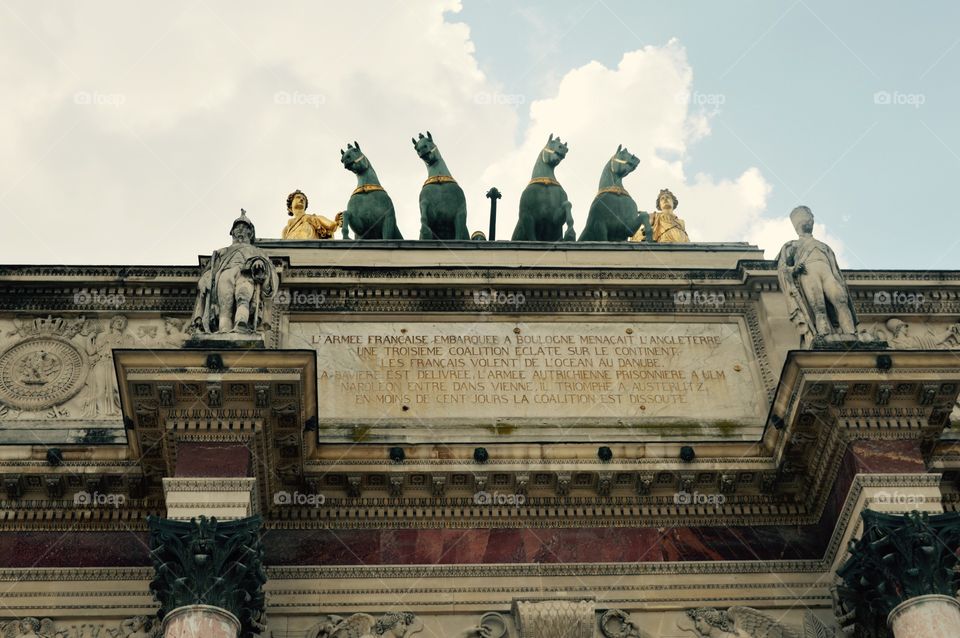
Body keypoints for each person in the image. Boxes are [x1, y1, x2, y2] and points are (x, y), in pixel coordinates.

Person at [776, 206, 858, 346]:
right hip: (808, 274)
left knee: (841, 301)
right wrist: (794, 269)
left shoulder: (823, 245)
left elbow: (835, 268)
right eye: (806, 219)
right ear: (798, 225)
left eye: (810, 219)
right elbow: (782, 269)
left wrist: (840, 282)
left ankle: (851, 333)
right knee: (818, 307)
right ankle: (823, 335)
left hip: (828, 274)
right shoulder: (791, 246)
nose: (809, 222)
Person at [192, 211, 278, 334]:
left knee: (243, 298)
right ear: (232, 232)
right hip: (225, 275)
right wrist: (204, 279)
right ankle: (224, 331)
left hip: (246, 275)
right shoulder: (221, 252)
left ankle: (241, 323)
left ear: (250, 232)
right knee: (225, 306)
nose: (240, 230)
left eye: (244, 227)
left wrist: (259, 264)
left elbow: (269, 269)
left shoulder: (257, 251)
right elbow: (211, 270)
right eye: (237, 227)